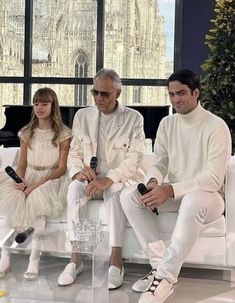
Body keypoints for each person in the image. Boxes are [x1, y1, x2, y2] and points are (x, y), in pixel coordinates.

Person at [120, 69, 231, 303]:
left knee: (192, 200)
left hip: (208, 197)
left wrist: (169, 190)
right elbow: (159, 163)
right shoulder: (167, 123)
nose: (175, 99)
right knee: (128, 195)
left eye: (181, 93)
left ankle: (166, 279)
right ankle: (159, 267)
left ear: (196, 93)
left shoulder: (216, 126)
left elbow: (212, 178)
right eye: (171, 94)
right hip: (178, 192)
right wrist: (152, 182)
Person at [57, 68, 145, 289]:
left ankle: (116, 261)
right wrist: (79, 172)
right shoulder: (82, 116)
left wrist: (110, 178)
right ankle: (76, 259)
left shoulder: (134, 118)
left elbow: (134, 159)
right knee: (74, 188)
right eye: (95, 92)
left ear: (118, 93)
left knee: (115, 192)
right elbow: (75, 152)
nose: (98, 98)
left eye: (104, 94)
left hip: (119, 180)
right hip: (91, 177)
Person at [0, 87, 72, 280]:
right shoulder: (26, 133)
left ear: (53, 105)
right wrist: (21, 180)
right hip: (29, 176)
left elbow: (61, 168)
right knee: (12, 206)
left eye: (44, 104)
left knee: (38, 210)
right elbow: (22, 165)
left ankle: (34, 259)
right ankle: (4, 257)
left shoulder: (63, 134)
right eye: (36, 103)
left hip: (50, 179)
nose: (39, 107)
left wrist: (35, 185)